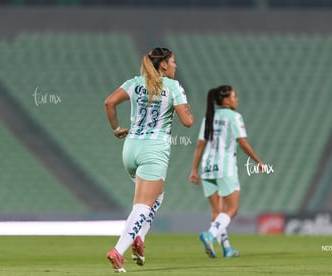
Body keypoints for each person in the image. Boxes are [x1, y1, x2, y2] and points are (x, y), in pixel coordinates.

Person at [104, 47, 194, 272]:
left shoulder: (134, 83)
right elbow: (188, 122)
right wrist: (185, 106)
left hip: (130, 148)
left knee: (158, 195)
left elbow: (109, 103)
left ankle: (139, 237)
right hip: (153, 150)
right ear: (163, 64)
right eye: (173, 62)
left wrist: (116, 128)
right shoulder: (173, 87)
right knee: (143, 206)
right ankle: (118, 251)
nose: (175, 66)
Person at [189, 85, 264, 258]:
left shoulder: (209, 117)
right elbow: (243, 142)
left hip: (207, 167)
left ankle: (227, 248)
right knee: (232, 208)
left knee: (217, 211)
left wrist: (194, 169)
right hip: (225, 167)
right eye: (234, 96)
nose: (237, 99)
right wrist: (258, 161)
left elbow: (200, 144)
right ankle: (210, 234)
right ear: (226, 100)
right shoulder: (234, 117)